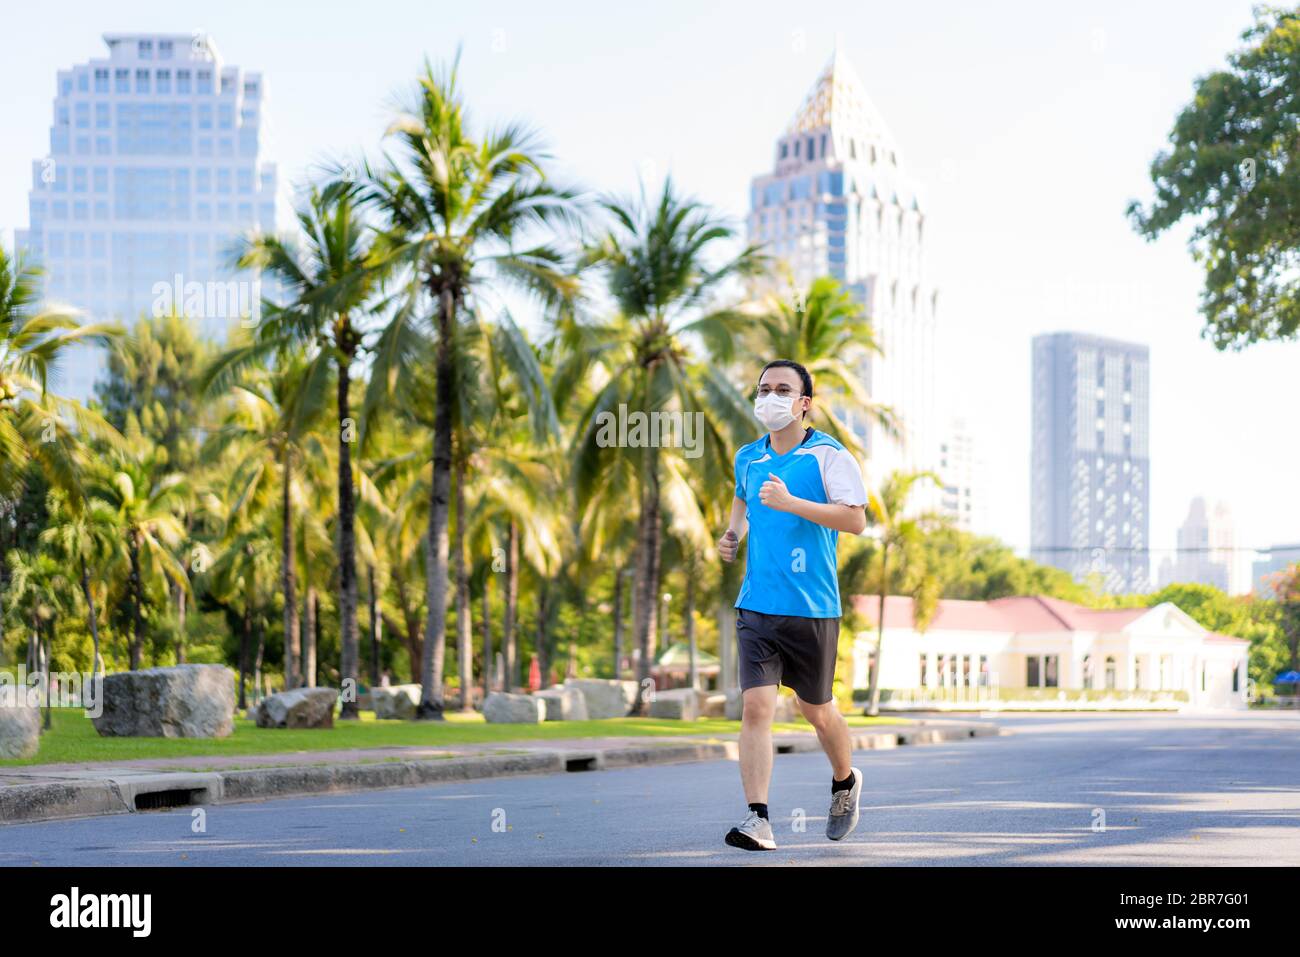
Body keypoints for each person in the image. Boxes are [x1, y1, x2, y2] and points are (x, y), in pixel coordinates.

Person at [718, 358, 868, 851]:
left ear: (804, 403)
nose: (770, 397)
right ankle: (758, 819)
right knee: (757, 706)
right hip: (758, 603)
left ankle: (845, 780)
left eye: (783, 389)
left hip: (813, 608)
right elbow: (743, 497)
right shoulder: (748, 456)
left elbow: (854, 521)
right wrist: (733, 533)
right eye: (763, 388)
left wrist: (791, 503)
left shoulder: (828, 456)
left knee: (816, 709)